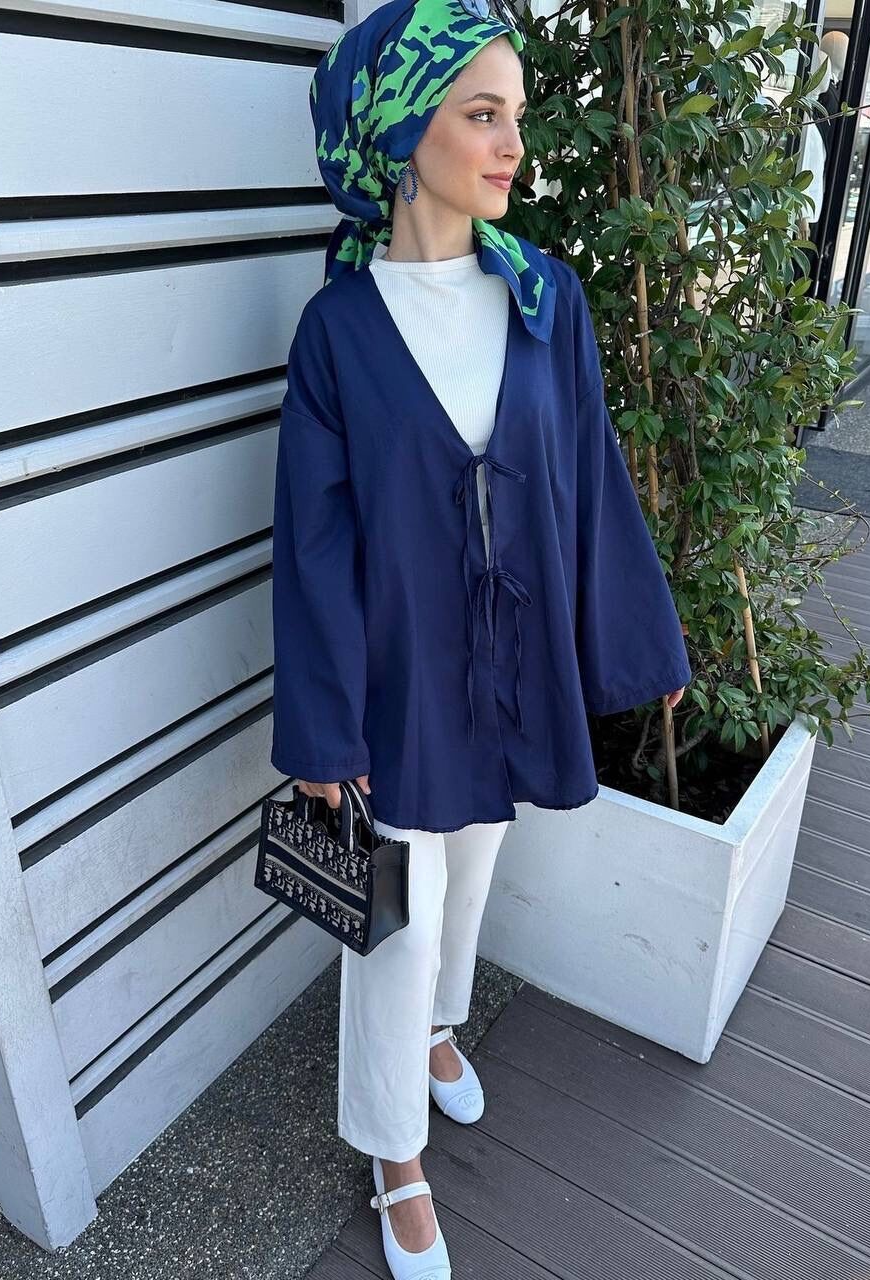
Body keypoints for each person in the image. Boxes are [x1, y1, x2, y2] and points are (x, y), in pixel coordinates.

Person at [271, 1, 689, 1274]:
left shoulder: (544, 297)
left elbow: (591, 479)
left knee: (475, 867)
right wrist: (323, 731)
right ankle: (393, 1150)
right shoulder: (340, 332)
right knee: (394, 915)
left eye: (517, 116)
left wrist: (639, 643)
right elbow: (315, 543)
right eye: (483, 115)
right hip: (396, 681)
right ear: (408, 134)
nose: (515, 146)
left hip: (508, 669)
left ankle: (443, 1027)